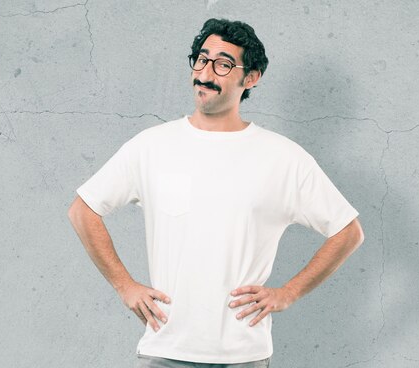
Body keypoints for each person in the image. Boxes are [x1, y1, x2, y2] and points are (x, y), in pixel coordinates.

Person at [68, 18, 364, 368]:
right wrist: (124, 286)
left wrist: (289, 292)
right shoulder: (151, 147)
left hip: (243, 356)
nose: (205, 73)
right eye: (201, 59)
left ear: (250, 78)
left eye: (223, 64)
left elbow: (348, 232)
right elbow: (82, 211)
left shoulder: (283, 158)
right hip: (165, 351)